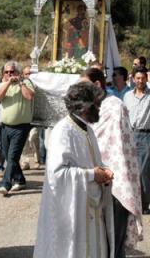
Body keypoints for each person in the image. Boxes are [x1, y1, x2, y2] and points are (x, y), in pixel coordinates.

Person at [33, 82, 114, 258]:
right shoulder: (64, 131)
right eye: (97, 104)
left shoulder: (87, 129)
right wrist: (93, 174)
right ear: (85, 106)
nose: (99, 108)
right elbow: (57, 174)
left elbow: (92, 162)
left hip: (90, 204)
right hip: (72, 210)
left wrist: (103, 172)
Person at [83, 68, 143, 258]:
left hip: (116, 179)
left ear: (97, 85)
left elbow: (115, 144)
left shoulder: (114, 106)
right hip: (96, 176)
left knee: (114, 236)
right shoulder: (91, 107)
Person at [123, 66, 150, 214]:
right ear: (133, 79)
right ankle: (131, 202)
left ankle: (144, 204)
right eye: (138, 78)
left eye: (143, 78)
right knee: (130, 171)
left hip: (147, 135)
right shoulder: (128, 96)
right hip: (131, 134)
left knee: (144, 172)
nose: (140, 81)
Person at [0, 61, 35, 195]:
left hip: (21, 127)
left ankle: (6, 184)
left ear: (17, 73)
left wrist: (20, 82)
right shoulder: (3, 85)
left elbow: (29, 96)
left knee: (11, 157)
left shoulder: (26, 82)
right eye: (6, 72)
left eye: (12, 72)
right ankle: (20, 180)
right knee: (9, 155)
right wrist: (7, 83)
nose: (9, 74)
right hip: (5, 126)